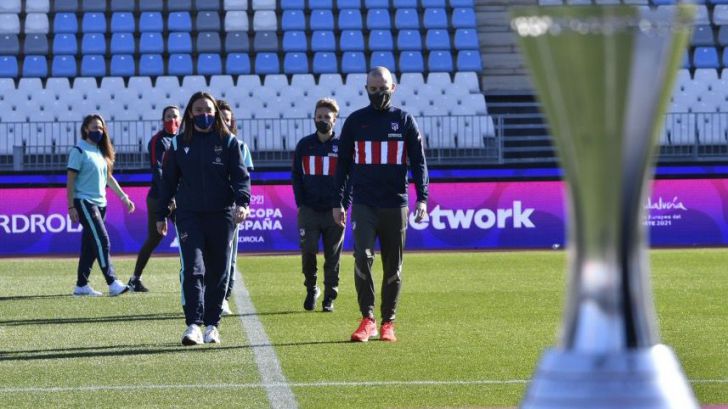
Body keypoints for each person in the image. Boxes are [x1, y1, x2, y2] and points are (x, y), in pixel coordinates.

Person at [333, 67, 429, 342]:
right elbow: (343, 166)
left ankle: (389, 321)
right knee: (362, 258)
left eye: (383, 88)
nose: (379, 93)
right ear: (366, 89)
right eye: (373, 89)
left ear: (393, 87)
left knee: (393, 266)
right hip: (364, 203)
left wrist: (422, 197)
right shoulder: (355, 121)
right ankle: (368, 319)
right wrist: (338, 202)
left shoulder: (405, 120)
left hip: (396, 204)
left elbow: (419, 163)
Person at [156, 91, 251, 346]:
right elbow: (167, 183)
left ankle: (212, 325)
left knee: (218, 271)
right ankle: (193, 325)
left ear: (216, 114)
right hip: (189, 215)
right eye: (199, 110)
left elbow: (241, 177)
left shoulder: (228, 142)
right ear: (190, 113)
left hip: (222, 216)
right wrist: (161, 214)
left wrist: (242, 203)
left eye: (209, 110)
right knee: (194, 268)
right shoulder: (177, 144)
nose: (204, 115)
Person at [292, 98, 351, 312]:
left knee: (332, 256)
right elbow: (297, 176)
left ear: (335, 120)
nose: (322, 120)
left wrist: (344, 205)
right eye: (319, 117)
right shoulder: (304, 145)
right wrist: (300, 203)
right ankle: (311, 288)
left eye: (327, 117)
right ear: (314, 118)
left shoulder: (343, 146)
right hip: (309, 209)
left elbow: (349, 179)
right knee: (308, 251)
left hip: (334, 210)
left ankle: (329, 297)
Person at [67, 114, 136, 297]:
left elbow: (108, 178)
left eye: (100, 127)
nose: (98, 131)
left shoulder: (100, 151)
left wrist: (124, 197)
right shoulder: (79, 151)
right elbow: (71, 181)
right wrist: (71, 206)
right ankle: (112, 281)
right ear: (85, 129)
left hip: (101, 203)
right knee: (102, 240)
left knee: (90, 245)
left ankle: (81, 285)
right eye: (94, 127)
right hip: (84, 201)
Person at [128, 105, 181, 292]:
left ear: (181, 119)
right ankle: (135, 278)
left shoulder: (183, 140)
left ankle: (194, 277)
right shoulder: (157, 141)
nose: (172, 119)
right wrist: (168, 197)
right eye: (168, 116)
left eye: (175, 116)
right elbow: (157, 171)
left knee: (188, 235)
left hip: (179, 198)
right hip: (160, 197)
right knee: (154, 238)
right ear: (162, 119)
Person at [217, 99, 254, 315]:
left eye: (227, 119)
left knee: (228, 254)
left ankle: (223, 297)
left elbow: (244, 179)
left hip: (229, 209)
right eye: (220, 118)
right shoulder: (200, 146)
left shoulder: (240, 147)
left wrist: (242, 204)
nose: (224, 122)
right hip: (206, 207)